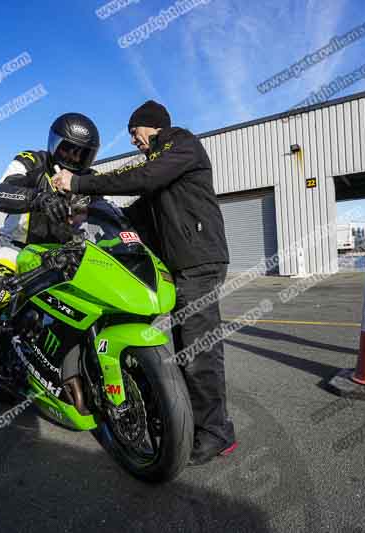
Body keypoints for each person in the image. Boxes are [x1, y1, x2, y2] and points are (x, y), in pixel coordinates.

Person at [52, 100, 236, 466]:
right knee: (185, 350)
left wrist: (78, 182)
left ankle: (216, 434)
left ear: (151, 126)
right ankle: (186, 420)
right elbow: (134, 212)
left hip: (198, 261)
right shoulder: (160, 170)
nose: (135, 141)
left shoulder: (180, 143)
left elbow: (141, 177)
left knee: (199, 352)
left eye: (135, 133)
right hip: (180, 265)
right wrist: (92, 213)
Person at [0, 112, 100, 368]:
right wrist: (39, 198)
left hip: (64, 253)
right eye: (68, 150)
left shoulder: (89, 178)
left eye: (81, 154)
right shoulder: (31, 160)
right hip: (16, 248)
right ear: (54, 144)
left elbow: (108, 210)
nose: (73, 158)